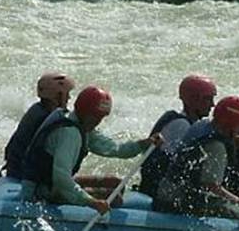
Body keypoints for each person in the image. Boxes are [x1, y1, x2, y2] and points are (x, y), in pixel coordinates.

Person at [21, 85, 159, 214]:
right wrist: (91, 202)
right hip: (40, 191)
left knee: (116, 184)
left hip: (51, 183)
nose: (97, 122)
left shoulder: (80, 123)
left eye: (100, 118)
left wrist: (142, 145)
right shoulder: (69, 133)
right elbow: (61, 178)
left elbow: (113, 148)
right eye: (95, 117)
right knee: (115, 199)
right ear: (84, 111)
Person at [153, 95, 239, 218]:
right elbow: (211, 186)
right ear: (230, 123)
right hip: (178, 201)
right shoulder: (216, 146)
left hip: (165, 193)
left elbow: (233, 140)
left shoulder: (203, 126)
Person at [137, 74, 217, 197]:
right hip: (156, 189)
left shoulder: (187, 122)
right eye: (208, 99)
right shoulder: (181, 125)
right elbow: (173, 163)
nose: (212, 104)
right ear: (193, 99)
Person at [1, 71, 76, 180]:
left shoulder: (37, 109)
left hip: (15, 170)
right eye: (67, 94)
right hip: (23, 176)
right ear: (58, 95)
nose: (69, 98)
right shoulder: (47, 118)